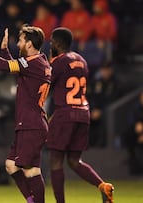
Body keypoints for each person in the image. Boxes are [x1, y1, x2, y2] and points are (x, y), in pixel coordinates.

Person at [0, 25, 51, 203]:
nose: (18, 43)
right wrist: (5, 50)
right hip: (29, 124)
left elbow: (1, 66)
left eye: (21, 40)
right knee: (11, 165)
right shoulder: (38, 63)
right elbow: (15, 69)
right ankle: (32, 201)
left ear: (29, 44)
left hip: (32, 125)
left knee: (31, 170)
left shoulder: (33, 63)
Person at [46, 27, 114, 203]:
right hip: (83, 114)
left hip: (65, 114)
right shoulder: (82, 61)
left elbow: (46, 86)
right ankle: (103, 186)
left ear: (58, 43)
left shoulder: (58, 62)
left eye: (52, 41)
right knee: (75, 161)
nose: (50, 44)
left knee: (56, 161)